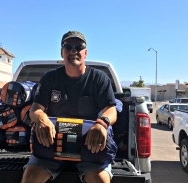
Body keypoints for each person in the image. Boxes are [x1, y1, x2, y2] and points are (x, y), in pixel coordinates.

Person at [21, 30, 117, 183]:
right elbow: (35, 108)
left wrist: (102, 123)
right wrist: (41, 117)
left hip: (89, 148)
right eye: (68, 46)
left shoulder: (99, 78)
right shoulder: (49, 78)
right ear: (61, 52)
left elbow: (111, 110)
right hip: (51, 147)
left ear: (85, 53)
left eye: (79, 47)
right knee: (30, 178)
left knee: (101, 180)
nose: (74, 50)